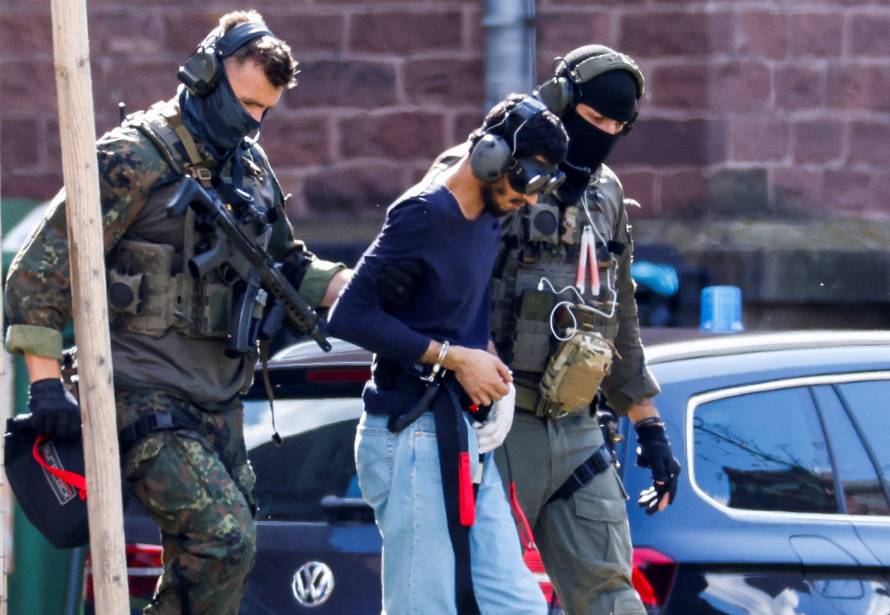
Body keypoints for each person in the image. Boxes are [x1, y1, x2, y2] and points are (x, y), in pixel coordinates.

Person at [4, 10, 349, 614]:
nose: (252, 122)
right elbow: (37, 272)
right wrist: (45, 390)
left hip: (217, 399)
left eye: (264, 111)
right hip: (139, 392)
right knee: (222, 539)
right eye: (244, 102)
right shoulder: (134, 157)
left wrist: (353, 286)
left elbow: (288, 263)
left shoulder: (249, 167)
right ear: (204, 74)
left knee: (230, 552)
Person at [390, 45, 683, 615]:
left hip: (576, 427)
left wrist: (649, 425)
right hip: (489, 423)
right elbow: (418, 273)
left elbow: (619, 313)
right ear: (561, 101)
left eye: (617, 127)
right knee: (482, 597)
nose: (603, 135)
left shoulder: (606, 194)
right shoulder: (484, 168)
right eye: (594, 119)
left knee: (611, 594)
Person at [326, 94, 568, 615]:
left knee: (518, 605)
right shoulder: (423, 214)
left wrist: (486, 359)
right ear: (491, 156)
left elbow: (458, 310)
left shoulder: (489, 217)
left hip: (462, 433)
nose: (530, 199)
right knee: (422, 607)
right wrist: (455, 358)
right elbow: (349, 315)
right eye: (527, 182)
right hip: (408, 433)